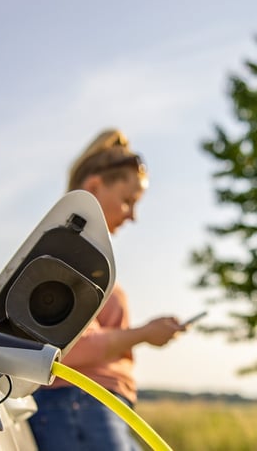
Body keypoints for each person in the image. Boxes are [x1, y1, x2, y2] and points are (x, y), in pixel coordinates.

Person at [28, 128, 185, 451]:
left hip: (93, 407)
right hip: (80, 406)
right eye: (128, 201)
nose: (133, 215)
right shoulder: (65, 254)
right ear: (95, 187)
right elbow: (70, 346)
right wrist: (143, 333)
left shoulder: (82, 258)